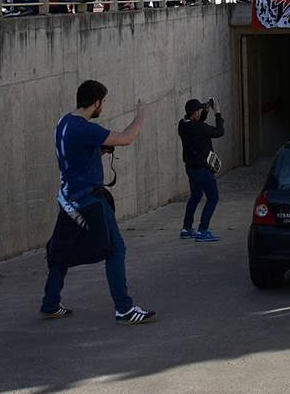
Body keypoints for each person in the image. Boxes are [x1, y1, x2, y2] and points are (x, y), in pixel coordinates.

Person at [41, 80, 156, 325]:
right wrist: (141, 116)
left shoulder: (64, 122)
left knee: (60, 251)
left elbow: (74, 154)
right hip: (89, 200)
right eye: (103, 102)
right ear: (96, 102)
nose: (102, 106)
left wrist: (98, 151)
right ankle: (124, 309)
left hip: (68, 199)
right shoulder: (85, 129)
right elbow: (126, 138)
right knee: (115, 249)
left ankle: (50, 303)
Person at [177, 97, 225, 242]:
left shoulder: (182, 124)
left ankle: (186, 228)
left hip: (190, 168)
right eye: (199, 111)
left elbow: (196, 124)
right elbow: (219, 131)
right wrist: (217, 113)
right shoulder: (200, 128)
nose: (200, 112)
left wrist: (204, 112)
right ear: (195, 114)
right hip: (203, 169)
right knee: (213, 197)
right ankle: (202, 230)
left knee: (196, 196)